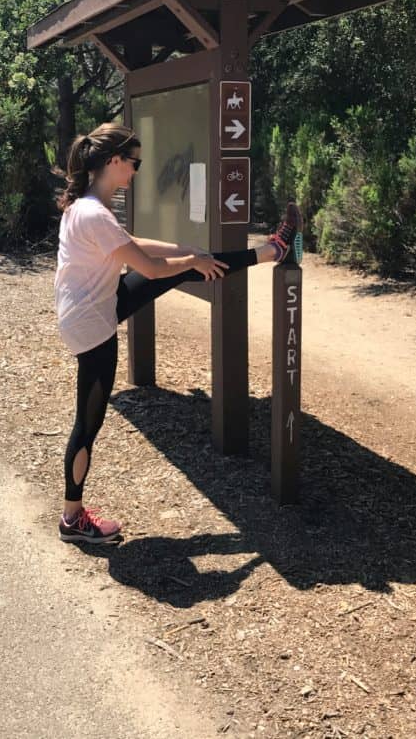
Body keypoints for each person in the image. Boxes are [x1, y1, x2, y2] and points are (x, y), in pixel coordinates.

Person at [54, 122, 300, 544]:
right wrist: (191, 262)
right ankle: (73, 519)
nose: (136, 171)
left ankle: (270, 251)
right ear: (114, 161)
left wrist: (191, 253)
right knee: (87, 423)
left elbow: (133, 243)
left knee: (186, 266)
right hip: (93, 326)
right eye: (134, 162)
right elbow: (146, 267)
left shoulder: (85, 206)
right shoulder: (95, 214)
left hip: (93, 307)